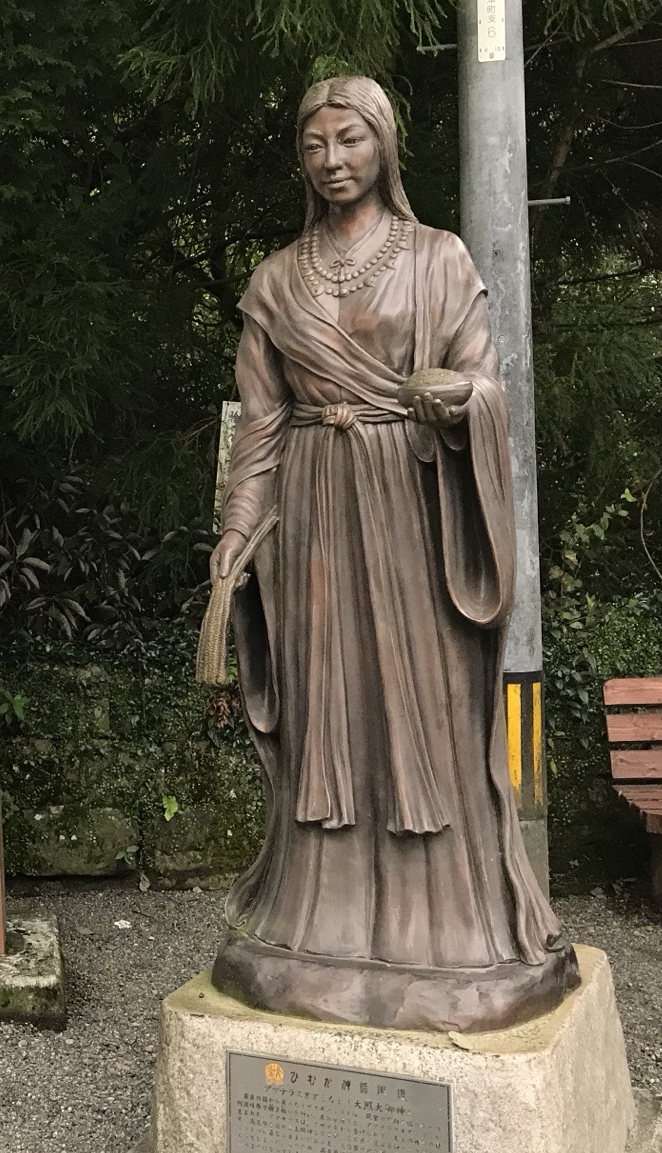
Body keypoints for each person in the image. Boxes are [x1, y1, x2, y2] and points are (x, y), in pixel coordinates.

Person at [209, 75, 575, 1032]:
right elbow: (262, 423)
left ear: (385, 147)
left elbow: (486, 385)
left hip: (412, 514)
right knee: (329, 710)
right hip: (319, 516)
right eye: (315, 145)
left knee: (424, 710)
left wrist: (459, 403)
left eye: (350, 141)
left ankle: (450, 932)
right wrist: (236, 536)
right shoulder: (277, 278)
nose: (332, 161)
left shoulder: (440, 259)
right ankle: (315, 919)